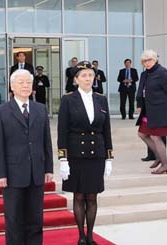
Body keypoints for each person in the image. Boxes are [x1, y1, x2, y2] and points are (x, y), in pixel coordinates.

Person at [0, 69, 53, 245]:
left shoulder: (40, 109)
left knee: (36, 219)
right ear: (12, 86)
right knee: (14, 219)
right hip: (12, 174)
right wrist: (0, 174)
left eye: (28, 82)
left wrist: (48, 168)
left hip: (37, 172)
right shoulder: (1, 111)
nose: (25, 85)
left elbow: (46, 141)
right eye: (21, 82)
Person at [57, 61, 113, 245]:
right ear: (76, 79)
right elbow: (62, 130)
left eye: (90, 75)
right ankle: (81, 236)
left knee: (93, 196)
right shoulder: (68, 99)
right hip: (76, 154)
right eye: (83, 75)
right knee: (79, 196)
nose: (87, 78)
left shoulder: (101, 99)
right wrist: (62, 158)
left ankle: (91, 236)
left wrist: (108, 157)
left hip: (96, 154)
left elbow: (106, 130)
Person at [136, 50, 167, 175]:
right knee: (142, 134)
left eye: (149, 60)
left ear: (155, 60)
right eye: (144, 61)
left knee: (155, 136)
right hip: (148, 110)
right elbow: (140, 90)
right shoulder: (145, 74)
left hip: (161, 110)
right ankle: (159, 156)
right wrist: (139, 104)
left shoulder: (162, 73)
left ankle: (165, 165)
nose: (147, 63)